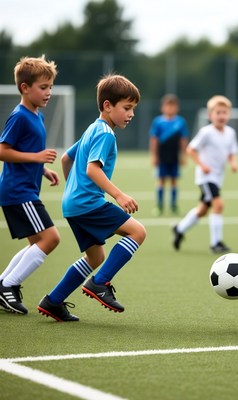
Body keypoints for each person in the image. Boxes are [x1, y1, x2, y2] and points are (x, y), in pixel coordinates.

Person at [37, 74, 146, 322]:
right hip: (88, 204)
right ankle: (100, 283)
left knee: (96, 257)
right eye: (127, 108)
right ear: (108, 106)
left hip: (73, 205)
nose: (131, 114)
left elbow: (66, 159)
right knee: (137, 232)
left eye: (133, 109)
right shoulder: (106, 133)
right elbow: (92, 169)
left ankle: (53, 301)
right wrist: (118, 195)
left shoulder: (92, 128)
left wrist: (72, 190)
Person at [0, 55, 60, 314]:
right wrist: (37, 157)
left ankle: (3, 283)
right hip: (18, 191)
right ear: (25, 88)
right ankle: (8, 286)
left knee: (36, 241)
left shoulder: (37, 115)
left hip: (24, 189)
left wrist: (42, 169)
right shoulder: (20, 116)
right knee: (51, 238)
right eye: (43, 87)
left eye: (50, 87)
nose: (48, 92)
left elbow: (25, 151)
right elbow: (3, 150)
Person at [172, 95, 238, 253]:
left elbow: (232, 152)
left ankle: (179, 229)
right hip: (206, 177)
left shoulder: (230, 133)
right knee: (218, 205)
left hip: (218, 178)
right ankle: (216, 243)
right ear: (210, 115)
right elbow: (190, 149)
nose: (221, 116)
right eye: (218, 112)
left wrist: (233, 162)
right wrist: (203, 165)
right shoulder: (206, 132)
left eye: (224, 112)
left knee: (202, 210)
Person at [149, 94, 189, 216]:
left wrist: (183, 155)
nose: (170, 109)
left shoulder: (180, 122)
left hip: (174, 157)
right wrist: (154, 156)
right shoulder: (158, 122)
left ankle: (173, 205)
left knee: (174, 181)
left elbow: (183, 139)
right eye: (168, 106)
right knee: (161, 181)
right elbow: (154, 140)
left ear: (177, 108)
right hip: (162, 157)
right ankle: (159, 206)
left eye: (173, 106)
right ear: (163, 107)